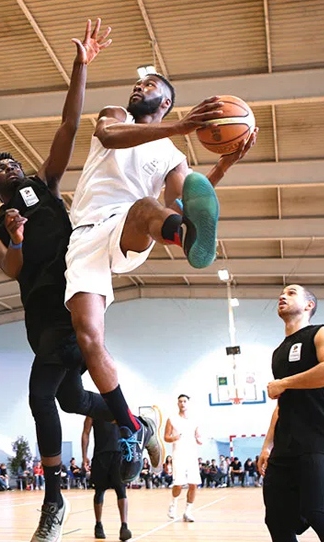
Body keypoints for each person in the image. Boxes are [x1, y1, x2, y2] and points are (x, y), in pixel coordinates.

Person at [64, 75, 257, 476]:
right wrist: (183, 128)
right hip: (85, 236)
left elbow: (187, 197)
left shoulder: (172, 155)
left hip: (134, 224)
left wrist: (223, 164)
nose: (139, 87)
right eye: (139, 84)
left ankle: (186, 235)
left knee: (150, 205)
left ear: (166, 102)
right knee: (88, 337)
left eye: (150, 85)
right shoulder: (115, 116)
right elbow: (111, 136)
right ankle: (132, 426)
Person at [0, 19, 116, 542]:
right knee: (70, 401)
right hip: (36, 311)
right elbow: (10, 269)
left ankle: (54, 500)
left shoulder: (45, 185)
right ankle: (132, 418)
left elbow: (68, 125)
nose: (10, 167)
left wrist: (80, 66)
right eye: (1, 170)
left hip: (71, 295)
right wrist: (14, 236)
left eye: (13, 162)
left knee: (41, 394)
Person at [258, 284, 324, 542]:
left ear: (309, 305)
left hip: (317, 440)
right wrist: (267, 445)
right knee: (276, 519)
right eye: (282, 293)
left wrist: (284, 383)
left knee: (317, 513)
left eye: (292, 292)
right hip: (284, 447)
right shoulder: (278, 353)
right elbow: (282, 404)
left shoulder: (318, 334)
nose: (283, 296)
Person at [82, 416, 131, 541]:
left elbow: (131, 429)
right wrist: (84, 456)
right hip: (100, 456)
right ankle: (98, 524)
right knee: (99, 492)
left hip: (118, 455)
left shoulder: (118, 408)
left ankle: (124, 526)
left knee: (121, 491)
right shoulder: (93, 410)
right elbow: (86, 432)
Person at [165, 394, 202, 522]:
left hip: (191, 455)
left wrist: (199, 439)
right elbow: (166, 437)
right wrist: (173, 438)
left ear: (188, 403)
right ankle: (173, 505)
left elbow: (198, 435)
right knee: (178, 484)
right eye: (180, 401)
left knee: (193, 484)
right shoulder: (172, 419)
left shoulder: (194, 420)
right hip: (178, 455)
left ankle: (187, 512)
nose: (183, 403)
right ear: (178, 404)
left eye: (185, 401)